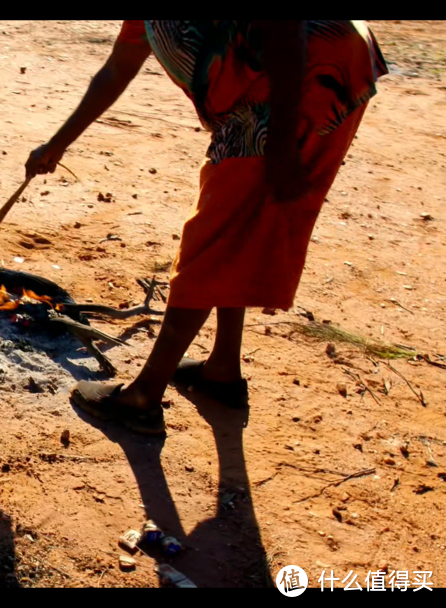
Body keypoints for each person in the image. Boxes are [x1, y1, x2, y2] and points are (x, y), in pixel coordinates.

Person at [26, 21, 387, 435]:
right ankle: (221, 370)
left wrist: (282, 143)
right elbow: (117, 70)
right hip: (279, 83)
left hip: (303, 78)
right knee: (236, 223)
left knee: (213, 237)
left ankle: (143, 396)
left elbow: (284, 30)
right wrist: (57, 143)